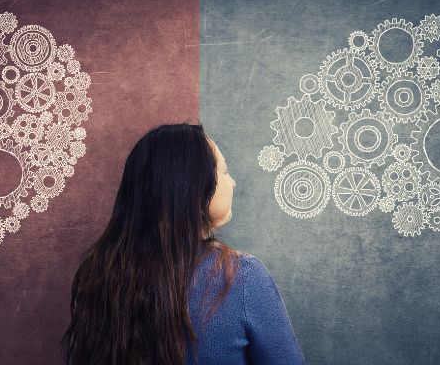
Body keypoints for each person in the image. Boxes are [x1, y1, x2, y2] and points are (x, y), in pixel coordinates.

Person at [62, 123, 305, 364]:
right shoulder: (242, 277)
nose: (232, 183)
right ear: (194, 185)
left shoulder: (97, 276)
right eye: (224, 171)